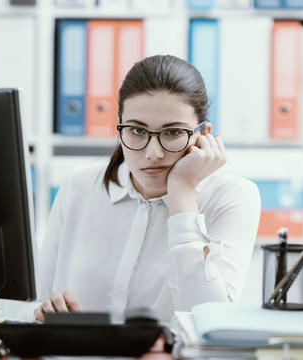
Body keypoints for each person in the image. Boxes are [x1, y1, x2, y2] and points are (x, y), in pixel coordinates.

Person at [35, 55, 261, 322]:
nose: (153, 153)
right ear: (119, 129)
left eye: (173, 132)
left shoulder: (233, 197)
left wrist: (183, 192)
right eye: (137, 131)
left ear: (203, 134)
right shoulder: (79, 186)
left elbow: (209, 320)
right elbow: (27, 304)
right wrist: (44, 313)